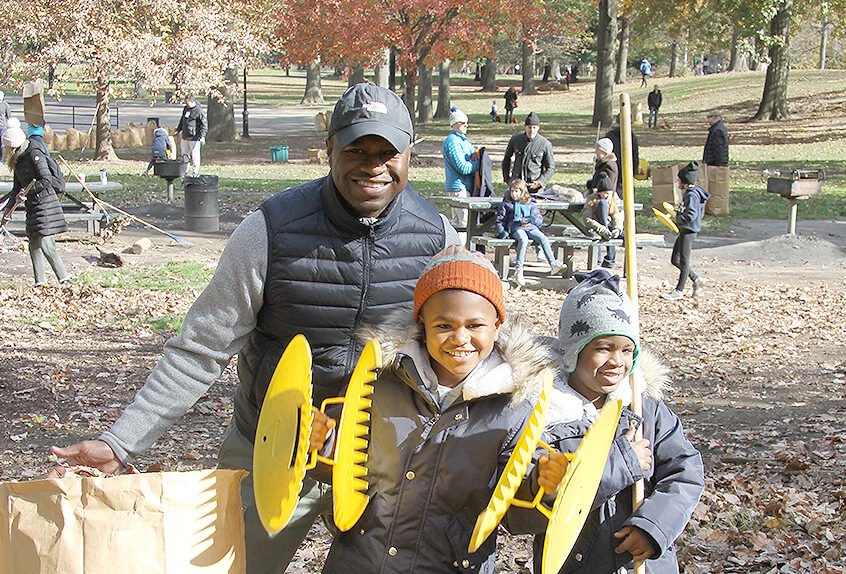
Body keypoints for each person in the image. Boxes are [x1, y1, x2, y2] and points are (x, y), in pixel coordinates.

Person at [48, 83, 461, 574]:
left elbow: (462, 355)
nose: (372, 164)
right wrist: (121, 442)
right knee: (234, 567)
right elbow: (200, 349)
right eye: (355, 149)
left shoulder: (437, 237)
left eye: (387, 151)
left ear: (410, 155)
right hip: (269, 447)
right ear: (329, 150)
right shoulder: (271, 231)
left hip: (382, 460)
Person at [316, 243, 567, 573]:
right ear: (422, 323)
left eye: (474, 325)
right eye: (444, 326)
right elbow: (342, 468)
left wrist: (543, 486)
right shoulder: (379, 380)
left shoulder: (516, 409)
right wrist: (320, 443)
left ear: (497, 325)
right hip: (362, 560)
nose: (460, 338)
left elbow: (517, 517)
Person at [537, 269, 705, 572]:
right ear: (574, 351)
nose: (617, 361)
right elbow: (552, 494)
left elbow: (685, 471)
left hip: (643, 564)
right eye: (603, 348)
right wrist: (623, 462)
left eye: (627, 350)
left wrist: (653, 528)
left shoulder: (644, 409)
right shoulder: (548, 417)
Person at [1, 118, 70, 287]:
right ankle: (40, 282)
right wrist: (7, 211)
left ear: (12, 145)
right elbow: (16, 189)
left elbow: (45, 179)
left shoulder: (33, 152)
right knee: (34, 245)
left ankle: (65, 281)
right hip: (33, 207)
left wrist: (26, 192)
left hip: (45, 204)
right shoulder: (17, 160)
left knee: (47, 244)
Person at [496, 179, 566, 286]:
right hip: (516, 228)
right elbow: (500, 220)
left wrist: (531, 219)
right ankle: (519, 270)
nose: (514, 194)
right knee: (523, 240)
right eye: (512, 192)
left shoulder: (530, 203)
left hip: (531, 227)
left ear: (522, 191)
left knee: (543, 238)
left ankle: (553, 263)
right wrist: (502, 232)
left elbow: (538, 218)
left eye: (517, 191)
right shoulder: (507, 204)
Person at [661, 161, 709, 301]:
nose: (677, 182)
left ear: (685, 181)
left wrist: (679, 217)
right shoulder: (690, 194)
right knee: (675, 259)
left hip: (688, 230)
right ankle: (696, 279)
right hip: (684, 229)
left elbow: (691, 215)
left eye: (679, 179)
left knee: (684, 261)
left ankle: (679, 290)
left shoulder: (691, 195)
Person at [583, 138, 622, 268]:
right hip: (599, 198)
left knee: (604, 225)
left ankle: (606, 258)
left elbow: (606, 184)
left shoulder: (609, 165)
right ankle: (601, 258)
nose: (596, 152)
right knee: (601, 226)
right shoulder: (603, 163)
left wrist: (594, 185)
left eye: (598, 150)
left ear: (604, 151)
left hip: (604, 200)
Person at [442, 106, 478, 236]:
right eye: (463, 123)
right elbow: (462, 167)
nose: (466, 126)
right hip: (458, 189)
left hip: (462, 188)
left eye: (467, 123)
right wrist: (477, 164)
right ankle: (461, 253)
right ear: (455, 124)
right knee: (463, 224)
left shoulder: (462, 141)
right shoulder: (452, 142)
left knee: (458, 223)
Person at [502, 112, 555, 194]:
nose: (531, 130)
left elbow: (551, 168)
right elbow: (506, 160)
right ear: (525, 127)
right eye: (529, 127)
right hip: (516, 187)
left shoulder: (545, 144)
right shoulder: (515, 140)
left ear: (538, 128)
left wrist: (540, 182)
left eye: (534, 127)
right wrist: (507, 179)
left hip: (535, 189)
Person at [605, 115, 639, 198]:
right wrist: (634, 171)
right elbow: (635, 155)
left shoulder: (609, 135)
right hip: (625, 168)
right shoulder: (631, 136)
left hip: (612, 168)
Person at [174, 95, 206, 177]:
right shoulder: (186, 109)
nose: (186, 105)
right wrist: (178, 130)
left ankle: (195, 172)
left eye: (188, 103)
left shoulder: (198, 110)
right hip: (185, 136)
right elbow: (182, 120)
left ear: (192, 101)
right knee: (185, 154)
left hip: (194, 137)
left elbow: (203, 124)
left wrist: (202, 136)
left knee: (195, 155)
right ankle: (185, 171)